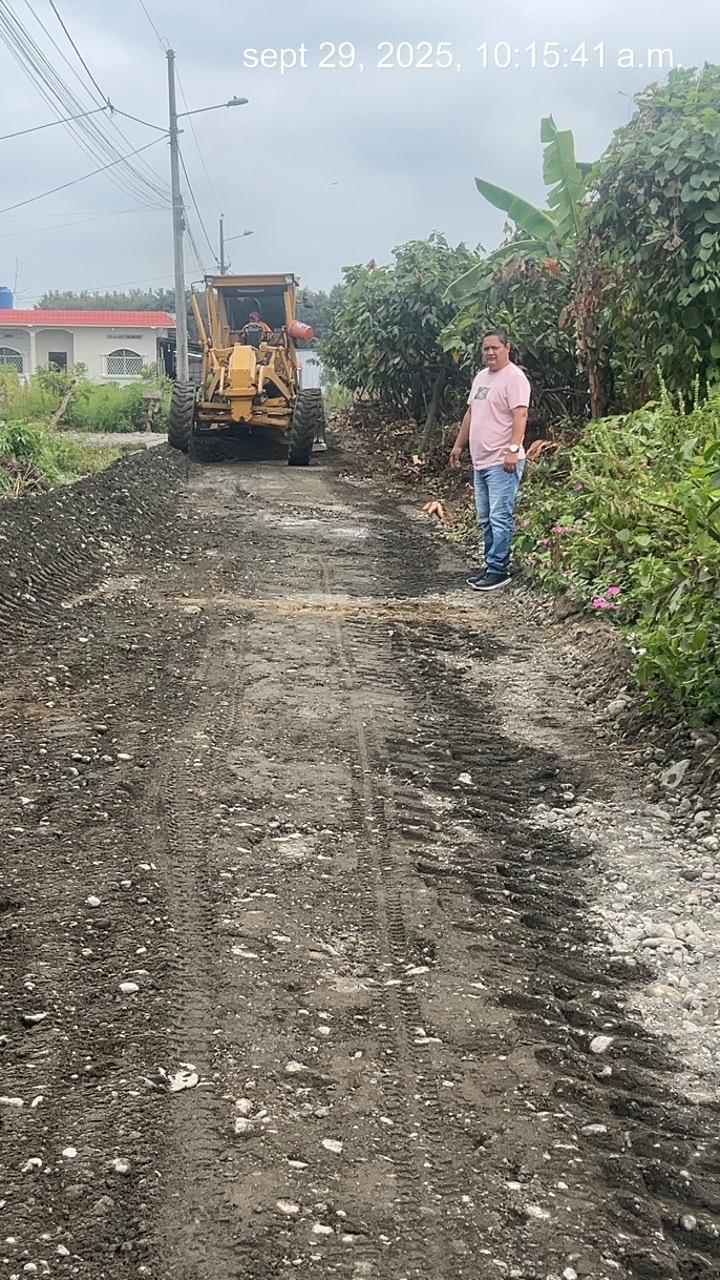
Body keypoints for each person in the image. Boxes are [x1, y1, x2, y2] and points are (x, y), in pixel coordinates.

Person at [449, 329, 530, 591]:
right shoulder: (481, 377)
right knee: (485, 517)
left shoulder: (514, 378)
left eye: (495, 347)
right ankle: (490, 564)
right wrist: (458, 446)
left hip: (502, 462)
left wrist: (513, 449)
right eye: (486, 348)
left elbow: (520, 415)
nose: (490, 352)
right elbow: (471, 413)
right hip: (481, 461)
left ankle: (499, 570)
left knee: (499, 516)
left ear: (507, 348)